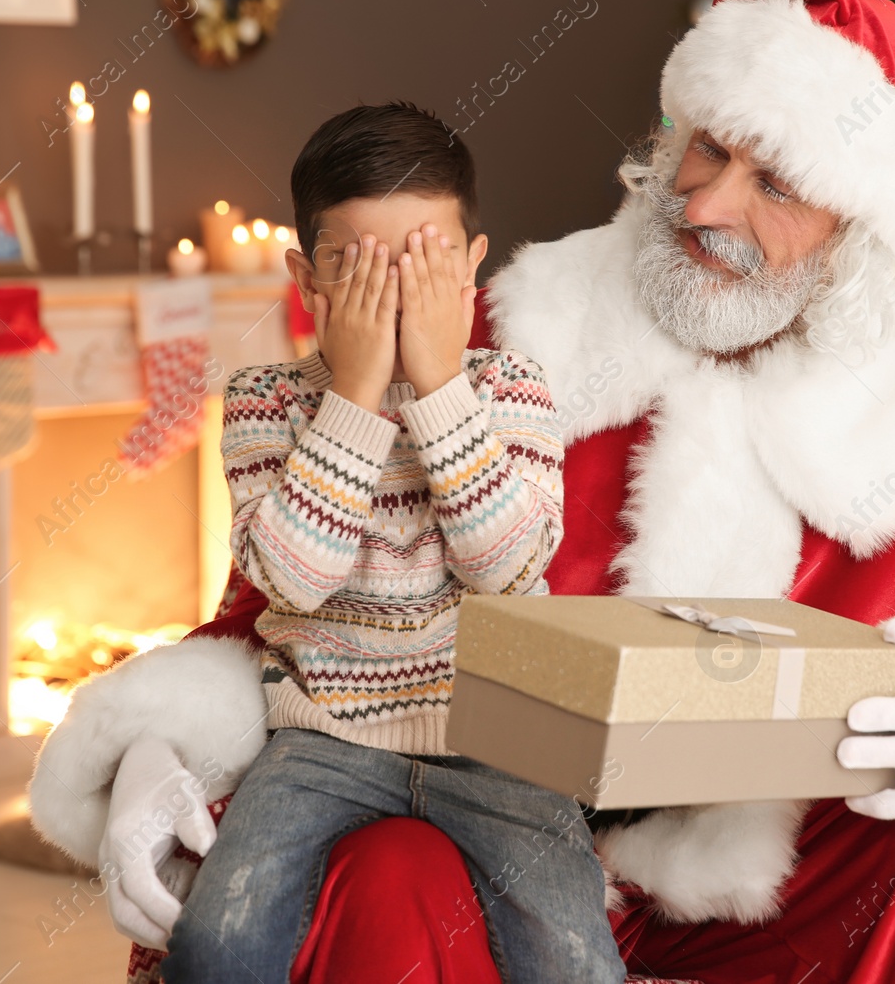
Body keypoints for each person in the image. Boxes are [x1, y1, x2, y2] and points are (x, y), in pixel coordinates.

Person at [31, 0, 895, 984]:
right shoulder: (493, 334)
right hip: (473, 811)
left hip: (768, 866)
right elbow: (277, 599)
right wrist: (160, 741)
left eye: (774, 182)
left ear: (857, 237)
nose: (706, 206)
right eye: (706, 151)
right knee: (388, 863)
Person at [145, 103, 620, 983]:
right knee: (215, 941)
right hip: (321, 741)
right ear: (306, 278)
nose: (393, 296)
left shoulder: (511, 387)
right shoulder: (264, 402)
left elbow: (508, 570)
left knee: (576, 962)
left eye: (424, 264)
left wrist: (440, 384)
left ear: (473, 268)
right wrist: (356, 395)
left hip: (500, 740)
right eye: (357, 267)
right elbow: (294, 579)